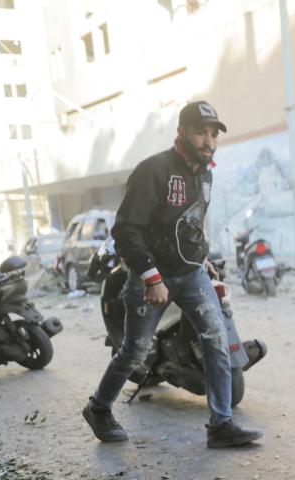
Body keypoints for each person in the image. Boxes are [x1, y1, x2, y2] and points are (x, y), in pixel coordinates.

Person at [82, 101, 263, 450]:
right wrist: (150, 276)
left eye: (213, 133)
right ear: (181, 132)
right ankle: (98, 408)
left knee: (216, 341)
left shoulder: (204, 173)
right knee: (134, 350)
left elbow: (191, 223)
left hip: (191, 272)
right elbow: (126, 230)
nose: (208, 140)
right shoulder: (154, 170)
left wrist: (203, 257)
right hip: (152, 274)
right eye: (200, 132)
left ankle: (221, 424)